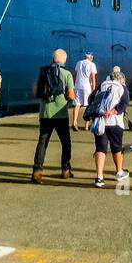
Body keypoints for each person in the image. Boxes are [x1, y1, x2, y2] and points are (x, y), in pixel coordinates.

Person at [31, 49, 75, 183]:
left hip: (45, 113)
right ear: (64, 60)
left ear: (53, 59)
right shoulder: (67, 73)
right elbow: (71, 95)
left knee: (43, 142)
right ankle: (65, 170)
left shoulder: (44, 72)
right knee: (66, 143)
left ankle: (37, 171)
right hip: (60, 114)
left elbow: (36, 90)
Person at [87, 70, 129, 187]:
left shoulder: (102, 85)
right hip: (115, 122)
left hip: (100, 122)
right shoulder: (122, 87)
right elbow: (125, 102)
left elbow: (91, 98)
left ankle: (99, 177)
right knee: (117, 148)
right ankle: (119, 172)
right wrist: (113, 111)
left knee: (100, 148)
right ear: (122, 79)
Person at [71, 51, 97, 131]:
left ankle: (74, 122)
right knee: (89, 105)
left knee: (77, 105)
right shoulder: (92, 64)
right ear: (91, 57)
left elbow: (75, 74)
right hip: (87, 86)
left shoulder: (79, 63)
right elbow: (93, 77)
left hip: (78, 85)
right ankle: (86, 126)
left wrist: (74, 85)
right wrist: (94, 89)